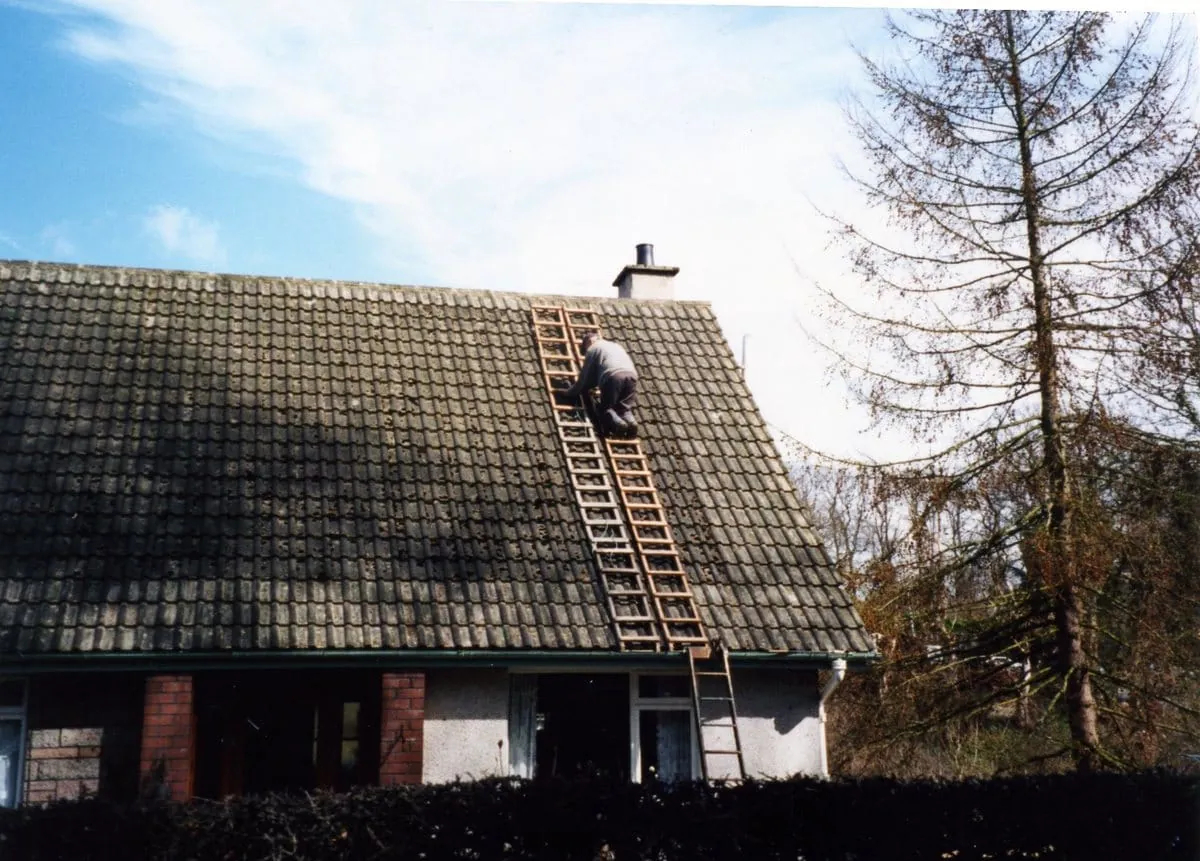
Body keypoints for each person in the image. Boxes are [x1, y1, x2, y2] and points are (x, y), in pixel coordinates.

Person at [562, 331, 639, 437]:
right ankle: (632, 423)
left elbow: (585, 378)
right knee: (623, 408)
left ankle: (619, 425)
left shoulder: (593, 349)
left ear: (588, 342)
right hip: (631, 375)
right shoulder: (615, 345)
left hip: (613, 376)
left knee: (606, 408)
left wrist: (571, 392)